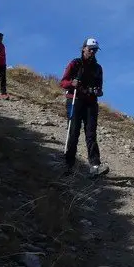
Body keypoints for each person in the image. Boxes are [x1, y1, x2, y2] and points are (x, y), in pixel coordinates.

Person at [59, 37, 108, 177]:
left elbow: (100, 88)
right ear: (84, 48)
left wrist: (97, 91)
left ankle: (95, 165)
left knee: (91, 134)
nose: (92, 52)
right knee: (73, 132)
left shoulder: (98, 68)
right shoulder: (75, 64)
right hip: (75, 100)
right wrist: (71, 84)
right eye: (90, 49)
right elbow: (63, 82)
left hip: (91, 102)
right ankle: (69, 164)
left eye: (95, 50)